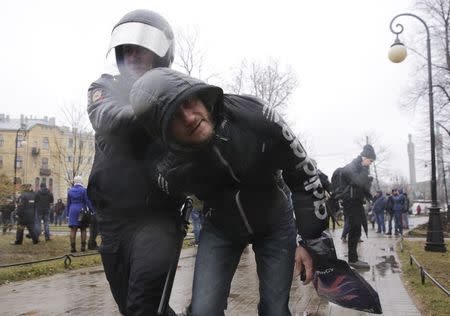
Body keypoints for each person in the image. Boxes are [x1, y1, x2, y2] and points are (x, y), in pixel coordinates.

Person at [130, 68, 328, 316]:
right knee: (203, 311)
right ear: (166, 134)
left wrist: (310, 240)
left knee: (275, 310)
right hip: (221, 228)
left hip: (275, 222)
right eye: (174, 118)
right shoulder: (165, 166)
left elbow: (303, 173)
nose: (189, 118)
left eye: (188, 102)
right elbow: (158, 211)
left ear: (201, 96)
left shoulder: (255, 115)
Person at [86, 9, 184, 316]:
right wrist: (155, 108)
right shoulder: (103, 87)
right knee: (130, 306)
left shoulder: (177, 92)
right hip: (112, 219)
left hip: (157, 217)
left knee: (144, 305)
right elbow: (107, 118)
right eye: (127, 48)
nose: (133, 54)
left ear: (160, 53)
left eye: (141, 47)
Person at [338, 144, 375, 269]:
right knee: (354, 229)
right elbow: (358, 181)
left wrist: (369, 192)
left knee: (356, 230)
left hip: (357, 202)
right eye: (370, 161)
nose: (370, 164)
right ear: (364, 157)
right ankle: (352, 259)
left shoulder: (360, 167)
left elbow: (361, 185)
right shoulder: (352, 166)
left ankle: (354, 258)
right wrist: (365, 172)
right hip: (350, 203)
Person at [66, 176, 93, 252]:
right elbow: (87, 201)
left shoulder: (70, 191)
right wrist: (92, 210)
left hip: (72, 210)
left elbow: (68, 203)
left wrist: (67, 214)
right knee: (83, 229)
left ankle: (73, 248)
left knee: (73, 229)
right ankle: (83, 247)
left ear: (74, 181)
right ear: (81, 182)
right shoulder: (84, 190)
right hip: (82, 210)